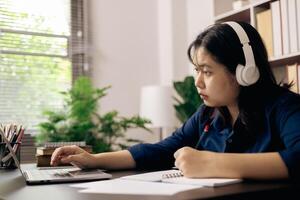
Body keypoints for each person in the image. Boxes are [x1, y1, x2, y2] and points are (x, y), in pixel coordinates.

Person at [51, 21, 300, 181]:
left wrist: (213, 162)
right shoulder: (208, 114)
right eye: (197, 70)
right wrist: (95, 160)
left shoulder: (285, 107)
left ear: (244, 71)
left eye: (208, 71)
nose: (198, 82)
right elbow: (162, 149)